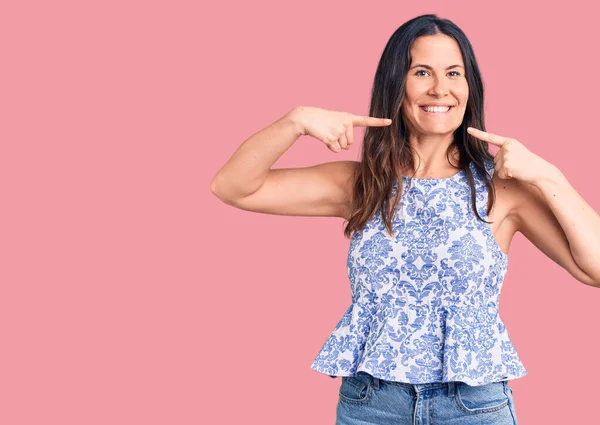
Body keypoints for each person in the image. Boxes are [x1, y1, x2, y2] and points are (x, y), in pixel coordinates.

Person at [210, 13, 600, 425]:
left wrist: (549, 175)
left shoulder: (502, 188)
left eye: (454, 72)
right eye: (421, 72)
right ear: (396, 85)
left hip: (472, 407)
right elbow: (233, 187)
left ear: (470, 87)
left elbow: (595, 269)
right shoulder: (363, 183)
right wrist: (296, 121)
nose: (440, 89)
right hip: (372, 403)